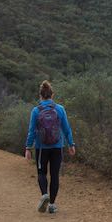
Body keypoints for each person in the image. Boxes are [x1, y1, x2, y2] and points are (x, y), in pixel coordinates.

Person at [25, 80, 75, 214]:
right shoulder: (60, 109)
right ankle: (52, 205)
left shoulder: (36, 111)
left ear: (40, 96)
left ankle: (44, 195)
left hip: (41, 148)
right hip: (57, 147)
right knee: (54, 175)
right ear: (52, 95)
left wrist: (28, 148)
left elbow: (31, 131)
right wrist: (71, 144)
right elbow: (66, 128)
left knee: (42, 173)